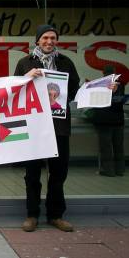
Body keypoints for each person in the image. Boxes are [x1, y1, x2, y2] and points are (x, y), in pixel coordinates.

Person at [14, 25, 80, 232]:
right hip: (34, 127)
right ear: (37, 40)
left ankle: (56, 215)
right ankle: (32, 215)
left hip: (59, 126)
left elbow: (74, 91)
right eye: (45, 37)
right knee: (32, 173)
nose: (49, 41)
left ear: (56, 41)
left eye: (53, 37)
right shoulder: (25, 63)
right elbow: (14, 91)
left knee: (59, 173)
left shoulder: (65, 62)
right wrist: (26, 78)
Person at [92, 65, 125, 177]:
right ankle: (120, 170)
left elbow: (96, 101)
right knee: (118, 147)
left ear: (103, 73)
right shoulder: (121, 85)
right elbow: (120, 101)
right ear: (114, 73)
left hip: (104, 121)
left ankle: (108, 170)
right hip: (118, 121)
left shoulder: (100, 85)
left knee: (106, 147)